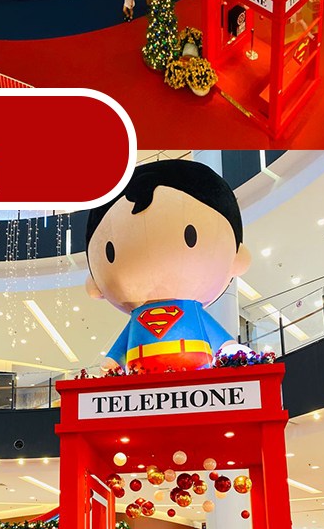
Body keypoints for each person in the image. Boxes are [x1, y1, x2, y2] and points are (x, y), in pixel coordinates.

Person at [85, 159, 252, 374]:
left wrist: (230, 349)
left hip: (193, 372)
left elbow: (220, 339)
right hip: (141, 375)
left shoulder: (191, 309)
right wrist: (113, 362)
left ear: (236, 258)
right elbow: (120, 348)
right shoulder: (139, 316)